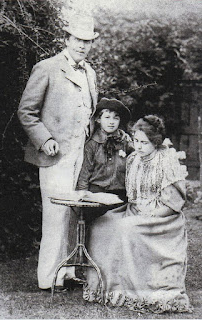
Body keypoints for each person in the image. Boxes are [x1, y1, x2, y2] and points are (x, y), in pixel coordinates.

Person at [17, 13, 99, 291]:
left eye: (87, 41)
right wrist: (45, 139)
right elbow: (26, 112)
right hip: (54, 157)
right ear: (66, 40)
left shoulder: (90, 72)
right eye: (77, 39)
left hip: (81, 156)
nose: (82, 45)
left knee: (77, 213)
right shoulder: (47, 68)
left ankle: (69, 272)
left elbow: (90, 114)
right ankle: (49, 278)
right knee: (55, 215)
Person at [83, 115, 190, 313]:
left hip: (162, 218)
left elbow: (173, 203)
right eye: (136, 141)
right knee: (101, 225)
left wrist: (150, 215)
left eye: (144, 142)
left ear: (156, 142)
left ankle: (134, 290)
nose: (138, 146)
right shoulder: (133, 159)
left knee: (127, 227)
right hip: (134, 210)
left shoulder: (166, 161)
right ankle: (106, 289)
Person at [77, 97, 133, 220]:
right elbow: (84, 174)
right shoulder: (92, 145)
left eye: (116, 118)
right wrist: (82, 196)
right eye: (107, 117)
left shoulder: (126, 142)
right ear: (98, 119)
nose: (111, 122)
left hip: (120, 196)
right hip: (96, 196)